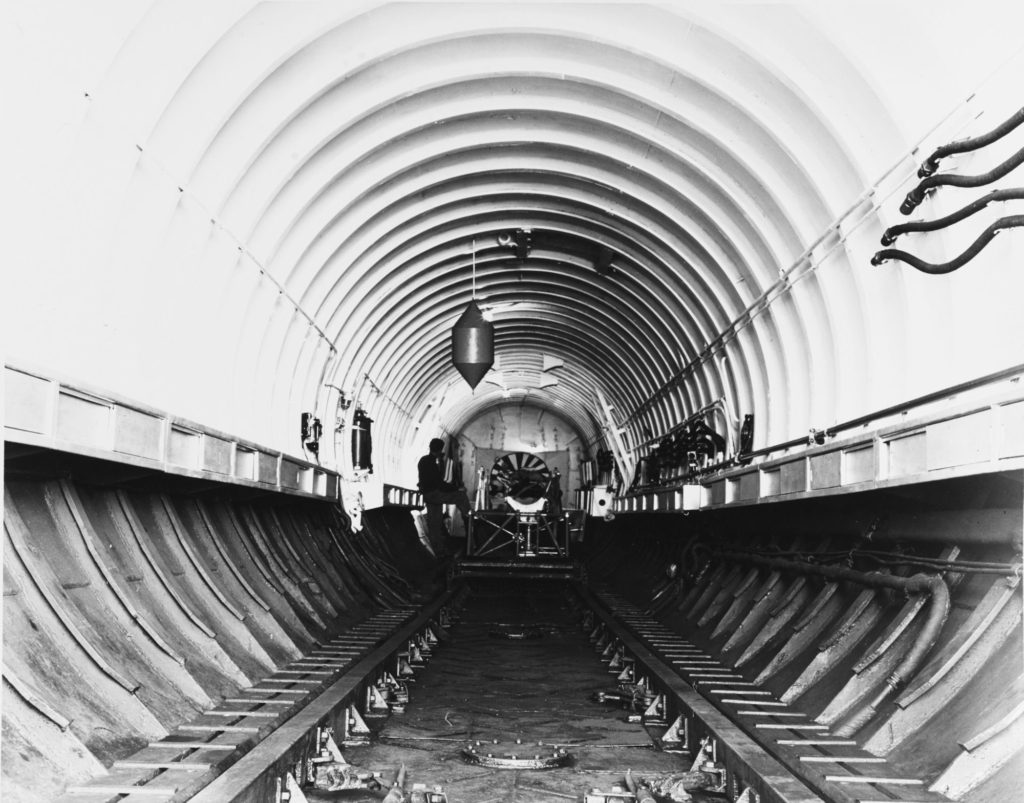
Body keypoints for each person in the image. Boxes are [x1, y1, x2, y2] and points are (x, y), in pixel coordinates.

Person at [417, 438, 471, 555]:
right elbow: (439, 484)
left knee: (434, 523)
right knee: (460, 496)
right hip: (434, 494)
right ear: (439, 450)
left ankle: (439, 550)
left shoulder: (424, 460)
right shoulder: (431, 463)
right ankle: (469, 519)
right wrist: (457, 488)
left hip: (428, 495)